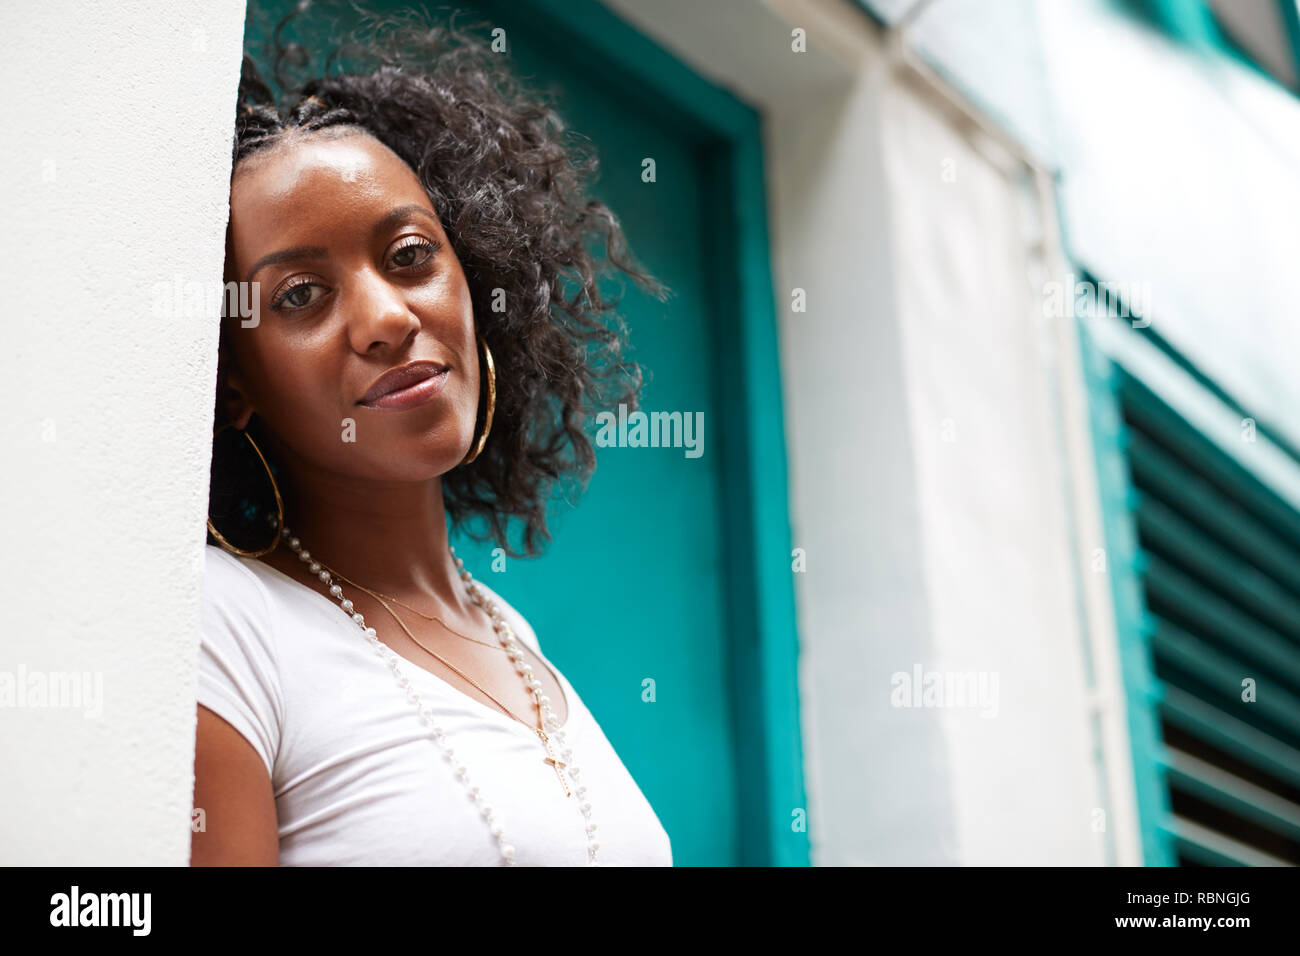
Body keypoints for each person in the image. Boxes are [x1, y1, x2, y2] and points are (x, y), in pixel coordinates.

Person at [193, 2, 673, 866]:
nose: (385, 317)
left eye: (410, 255)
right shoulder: (224, 629)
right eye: (300, 294)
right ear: (235, 384)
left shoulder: (510, 633)